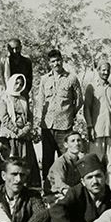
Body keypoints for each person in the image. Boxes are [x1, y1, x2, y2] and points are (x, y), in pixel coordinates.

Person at [39, 49, 83, 181]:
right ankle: (48, 189)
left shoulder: (71, 78)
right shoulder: (44, 79)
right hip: (47, 125)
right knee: (47, 159)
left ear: (62, 60)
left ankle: (67, 188)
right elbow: (40, 100)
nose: (56, 63)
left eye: (58, 60)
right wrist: (40, 118)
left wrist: (70, 114)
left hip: (64, 126)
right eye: (53, 61)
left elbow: (79, 100)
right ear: (49, 63)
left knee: (65, 159)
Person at [0, 72, 41, 190]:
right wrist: (16, 130)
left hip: (23, 136)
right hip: (10, 136)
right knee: (11, 162)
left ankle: (26, 187)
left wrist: (26, 129)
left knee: (25, 161)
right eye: (16, 82)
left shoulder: (23, 100)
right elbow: (4, 118)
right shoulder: (4, 98)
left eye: (21, 83)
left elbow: (29, 118)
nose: (18, 85)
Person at [83, 60, 111, 159]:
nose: (106, 72)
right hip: (96, 131)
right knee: (95, 161)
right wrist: (89, 126)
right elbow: (86, 108)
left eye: (108, 70)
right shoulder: (91, 87)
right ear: (98, 70)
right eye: (103, 70)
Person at [47, 129, 86, 196]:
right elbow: (60, 185)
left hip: (70, 193)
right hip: (55, 195)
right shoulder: (61, 162)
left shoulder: (81, 162)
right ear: (66, 145)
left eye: (79, 140)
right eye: (72, 141)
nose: (76, 143)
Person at [4, 39, 33, 108]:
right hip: (10, 94)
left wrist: (23, 91)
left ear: (20, 47)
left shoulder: (27, 61)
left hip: (23, 94)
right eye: (12, 49)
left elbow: (29, 79)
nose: (15, 51)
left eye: (17, 48)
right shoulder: (6, 61)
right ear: (8, 49)